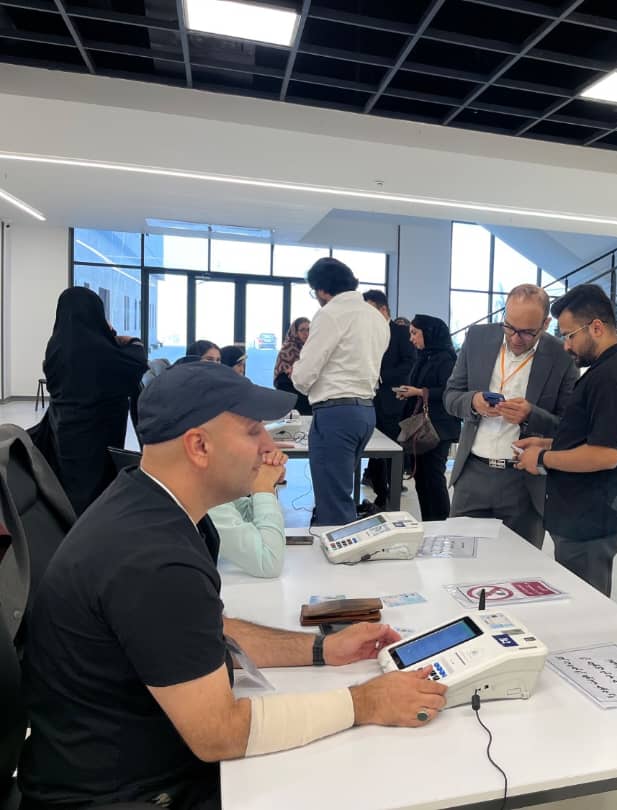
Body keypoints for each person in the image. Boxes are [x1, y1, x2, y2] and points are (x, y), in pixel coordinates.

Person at [18, 363, 447, 810]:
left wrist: (323, 649)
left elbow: (208, 631)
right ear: (199, 446)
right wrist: (364, 703)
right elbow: (219, 734)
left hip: (132, 768)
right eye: (253, 431)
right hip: (125, 795)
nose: (270, 446)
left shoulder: (148, 502)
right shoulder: (154, 560)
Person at [514, 285, 617, 597]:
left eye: (570, 336)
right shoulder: (605, 371)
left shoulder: (611, 377)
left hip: (591, 519)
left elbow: (605, 455)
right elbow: (593, 435)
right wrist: (547, 444)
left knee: (587, 608)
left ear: (596, 327)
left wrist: (542, 459)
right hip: (582, 515)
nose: (566, 345)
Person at [443, 284, 577, 548]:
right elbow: (450, 396)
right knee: (461, 562)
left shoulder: (562, 357)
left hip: (524, 482)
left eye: (527, 332)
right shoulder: (478, 338)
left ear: (546, 323)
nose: (516, 338)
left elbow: (569, 428)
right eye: (510, 327)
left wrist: (531, 415)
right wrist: (473, 402)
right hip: (472, 475)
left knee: (519, 565)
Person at [292, 258, 389, 527]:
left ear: (322, 290)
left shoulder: (331, 314)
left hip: (336, 413)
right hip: (365, 411)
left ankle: (341, 551)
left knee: (332, 500)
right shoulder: (375, 316)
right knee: (340, 492)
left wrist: (296, 372)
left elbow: (304, 374)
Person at [40, 287, 147, 514]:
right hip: (96, 434)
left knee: (71, 484)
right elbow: (136, 364)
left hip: (63, 428)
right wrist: (133, 341)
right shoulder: (98, 348)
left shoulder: (56, 346)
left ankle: (68, 524)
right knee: (95, 489)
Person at [395, 315, 460, 521]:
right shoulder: (424, 356)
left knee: (433, 478)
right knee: (421, 479)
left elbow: (449, 392)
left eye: (415, 333)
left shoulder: (446, 359)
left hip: (439, 428)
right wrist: (409, 392)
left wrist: (418, 392)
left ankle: (441, 524)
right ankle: (429, 523)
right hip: (422, 427)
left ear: (430, 334)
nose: (411, 339)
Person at [362, 290, 416, 512]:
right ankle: (380, 494)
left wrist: (381, 375)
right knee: (374, 449)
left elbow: (409, 363)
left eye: (370, 310)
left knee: (391, 448)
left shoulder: (401, 332)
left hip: (393, 399)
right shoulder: (366, 333)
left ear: (383, 309)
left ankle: (390, 496)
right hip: (369, 398)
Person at [208, 448, 287, 578]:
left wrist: (264, 481)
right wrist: (263, 487)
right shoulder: (203, 493)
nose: (268, 444)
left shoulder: (210, 479)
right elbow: (268, 562)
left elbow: (246, 518)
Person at [273, 317, 312, 415]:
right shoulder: (288, 347)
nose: (306, 333)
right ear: (295, 332)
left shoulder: (311, 348)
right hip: (290, 390)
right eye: (302, 330)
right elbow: (281, 378)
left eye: (308, 329)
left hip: (306, 389)